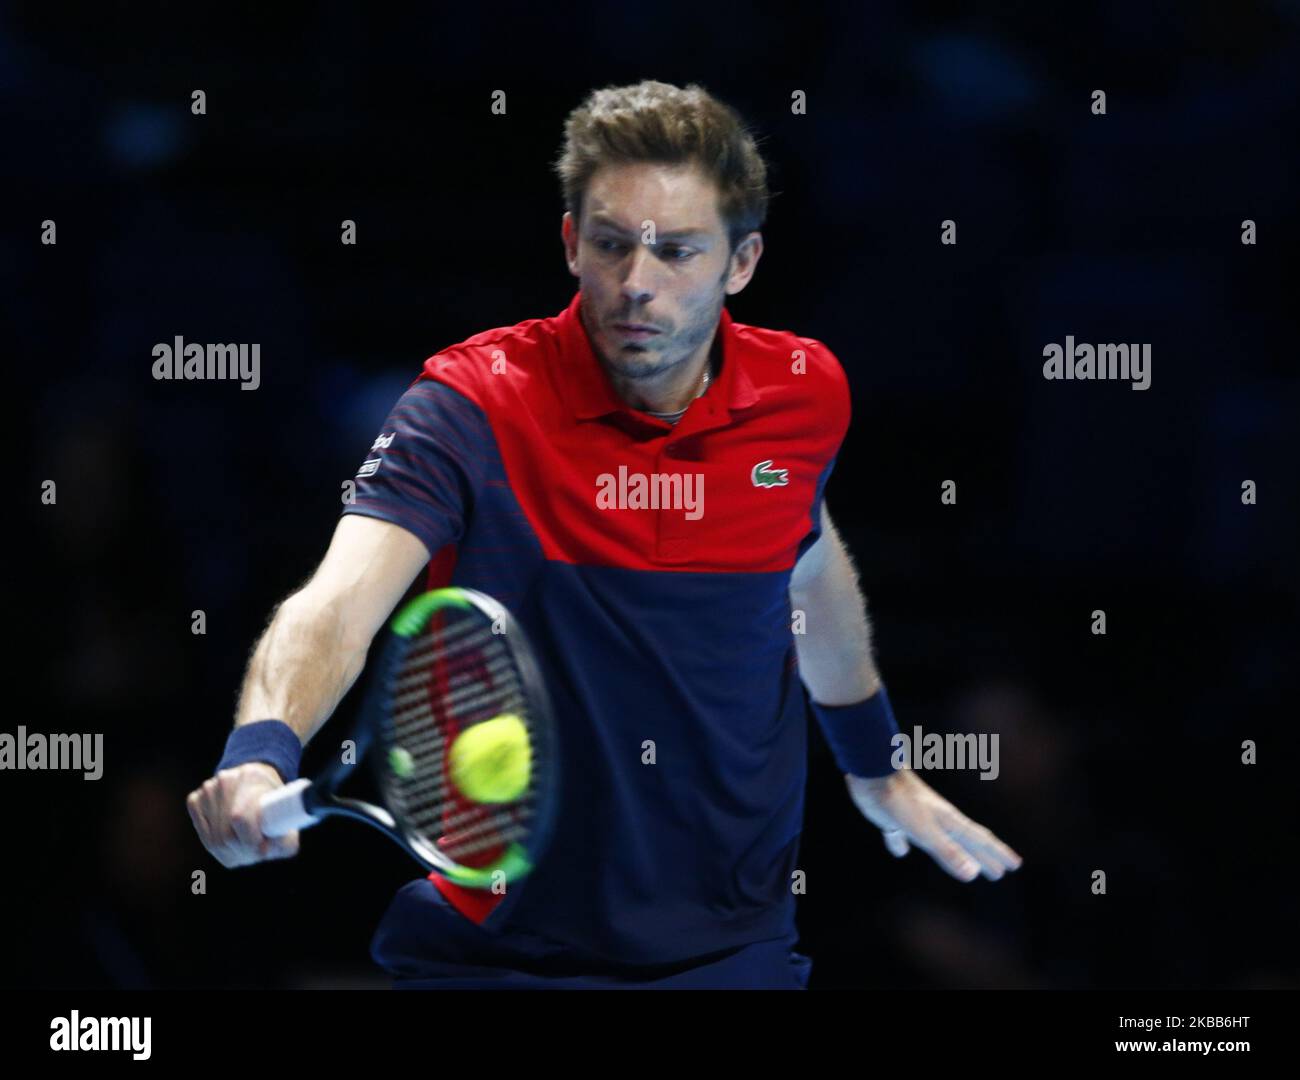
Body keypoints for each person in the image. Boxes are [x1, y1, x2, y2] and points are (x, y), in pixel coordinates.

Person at [187, 79, 1022, 989]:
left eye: (676, 252)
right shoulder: (472, 405)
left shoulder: (805, 393)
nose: (637, 284)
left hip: (731, 954)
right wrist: (259, 752)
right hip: (500, 957)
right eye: (613, 244)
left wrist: (875, 765)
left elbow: (808, 568)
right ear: (571, 243)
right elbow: (337, 605)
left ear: (741, 262)